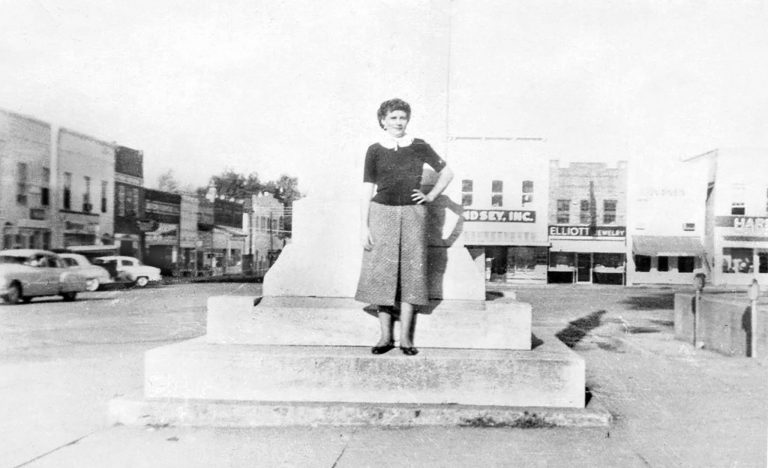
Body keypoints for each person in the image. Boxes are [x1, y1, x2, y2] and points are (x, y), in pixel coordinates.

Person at [355, 98, 454, 356]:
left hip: (413, 214)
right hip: (381, 213)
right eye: (393, 118)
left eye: (402, 117)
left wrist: (430, 196)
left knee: (412, 273)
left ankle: (407, 340)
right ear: (383, 121)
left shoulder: (419, 146)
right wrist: (363, 226)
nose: (399, 122)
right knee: (383, 274)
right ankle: (385, 337)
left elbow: (447, 173)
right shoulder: (374, 149)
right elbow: (367, 188)